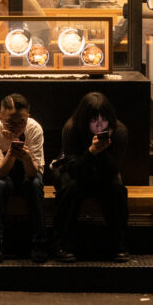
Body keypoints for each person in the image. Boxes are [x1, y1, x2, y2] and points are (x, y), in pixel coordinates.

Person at [52, 92, 129, 262]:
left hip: (104, 172)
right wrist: (92, 152)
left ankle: (120, 245)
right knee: (70, 189)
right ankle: (62, 244)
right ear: (85, 119)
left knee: (116, 189)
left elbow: (113, 170)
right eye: (94, 120)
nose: (100, 124)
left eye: (104, 119)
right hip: (75, 171)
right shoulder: (71, 129)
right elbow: (73, 169)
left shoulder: (119, 131)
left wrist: (101, 154)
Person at [0, 93, 48, 262]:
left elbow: (34, 172)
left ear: (28, 117)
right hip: (0, 169)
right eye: (10, 122)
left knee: (35, 184)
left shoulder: (34, 129)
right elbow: (0, 172)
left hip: (27, 168)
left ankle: (38, 242)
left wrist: (25, 156)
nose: (17, 126)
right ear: (0, 117)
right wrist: (11, 151)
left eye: (21, 122)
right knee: (1, 184)